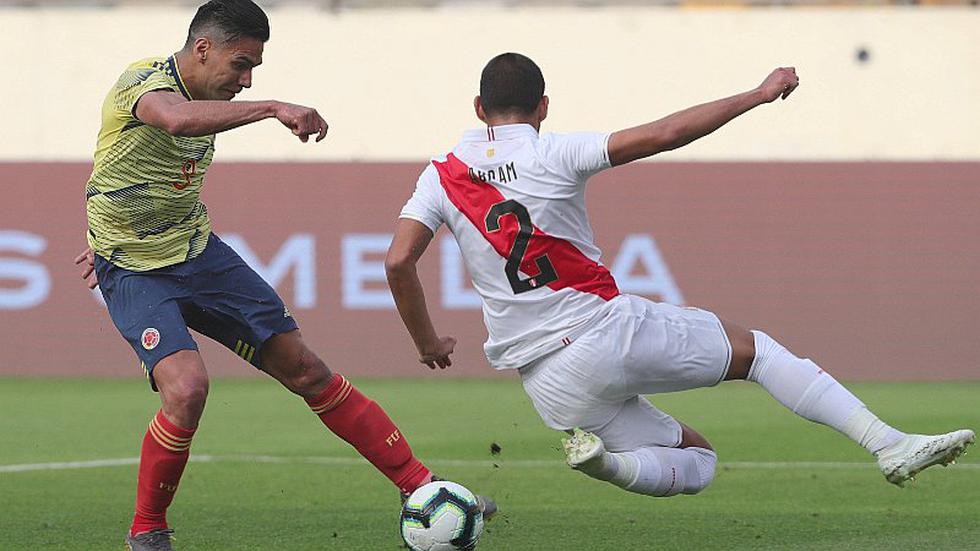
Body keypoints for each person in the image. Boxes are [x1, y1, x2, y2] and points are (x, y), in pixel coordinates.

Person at [385, 52, 974, 500]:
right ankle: (889, 445)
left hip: (545, 381)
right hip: (600, 332)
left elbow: (397, 261)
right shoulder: (554, 152)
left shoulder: (440, 177)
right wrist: (758, 94)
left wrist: (427, 343)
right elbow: (664, 134)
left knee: (699, 460)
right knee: (759, 353)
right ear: (543, 107)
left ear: (477, 108)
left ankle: (607, 464)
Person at [74, 2, 491, 549]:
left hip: (198, 252)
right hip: (133, 271)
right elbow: (173, 119)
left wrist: (111, 221)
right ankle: (147, 530)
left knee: (306, 369)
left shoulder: (208, 93)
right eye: (240, 65)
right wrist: (273, 108)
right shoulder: (144, 83)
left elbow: (127, 167)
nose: (245, 82)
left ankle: (421, 488)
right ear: (203, 50)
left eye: (255, 72)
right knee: (188, 388)